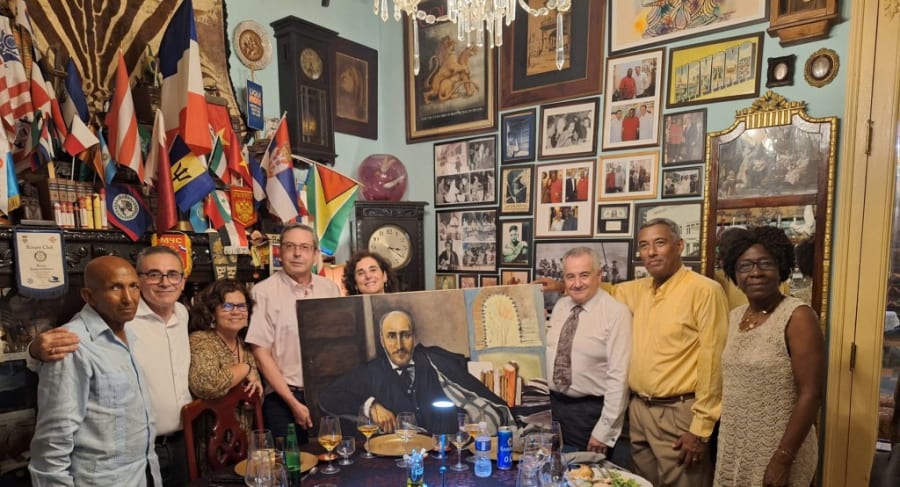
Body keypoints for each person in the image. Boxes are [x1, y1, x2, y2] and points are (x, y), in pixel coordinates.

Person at [28, 246, 193, 486]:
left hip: (151, 462)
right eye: (115, 287)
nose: (127, 297)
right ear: (88, 296)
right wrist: (34, 350)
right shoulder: (73, 342)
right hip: (104, 478)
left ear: (183, 280)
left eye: (132, 286)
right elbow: (52, 443)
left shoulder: (177, 314)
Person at [614, 218, 729, 487]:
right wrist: (560, 286)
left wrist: (700, 430)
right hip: (640, 410)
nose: (651, 252)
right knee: (639, 483)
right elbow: (600, 289)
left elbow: (714, 363)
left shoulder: (704, 290)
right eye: (644, 246)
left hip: (680, 414)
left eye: (660, 243)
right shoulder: (637, 290)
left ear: (679, 246)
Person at [714, 226, 824, 487]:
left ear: (781, 268)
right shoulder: (735, 316)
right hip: (736, 445)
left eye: (765, 264)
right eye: (745, 266)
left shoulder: (798, 316)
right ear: (734, 274)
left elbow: (811, 393)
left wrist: (782, 459)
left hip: (780, 450)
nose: (755, 272)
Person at [318, 310, 514, 434]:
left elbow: (469, 388)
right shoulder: (371, 371)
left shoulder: (434, 359)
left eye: (405, 335)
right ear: (382, 340)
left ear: (414, 337)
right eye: (391, 336)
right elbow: (328, 397)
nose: (399, 345)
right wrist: (371, 406)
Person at [246, 223, 342, 443]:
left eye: (305, 247)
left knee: (333, 461)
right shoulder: (263, 292)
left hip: (326, 393)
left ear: (315, 254)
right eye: (290, 246)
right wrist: (293, 403)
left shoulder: (329, 289)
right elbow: (261, 355)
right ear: (280, 251)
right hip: (283, 397)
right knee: (292, 469)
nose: (297, 253)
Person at [546, 247, 631, 454]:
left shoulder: (616, 313)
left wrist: (604, 430)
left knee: (585, 478)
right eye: (570, 276)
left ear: (599, 275)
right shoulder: (561, 306)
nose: (576, 283)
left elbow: (619, 377)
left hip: (589, 414)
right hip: (553, 408)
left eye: (584, 275)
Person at [187, 279, 263, 476]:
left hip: (246, 446)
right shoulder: (202, 340)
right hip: (214, 449)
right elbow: (207, 384)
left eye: (241, 306)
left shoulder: (245, 346)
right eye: (227, 306)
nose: (235, 311)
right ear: (212, 312)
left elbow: (256, 396)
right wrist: (245, 368)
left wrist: (252, 396)